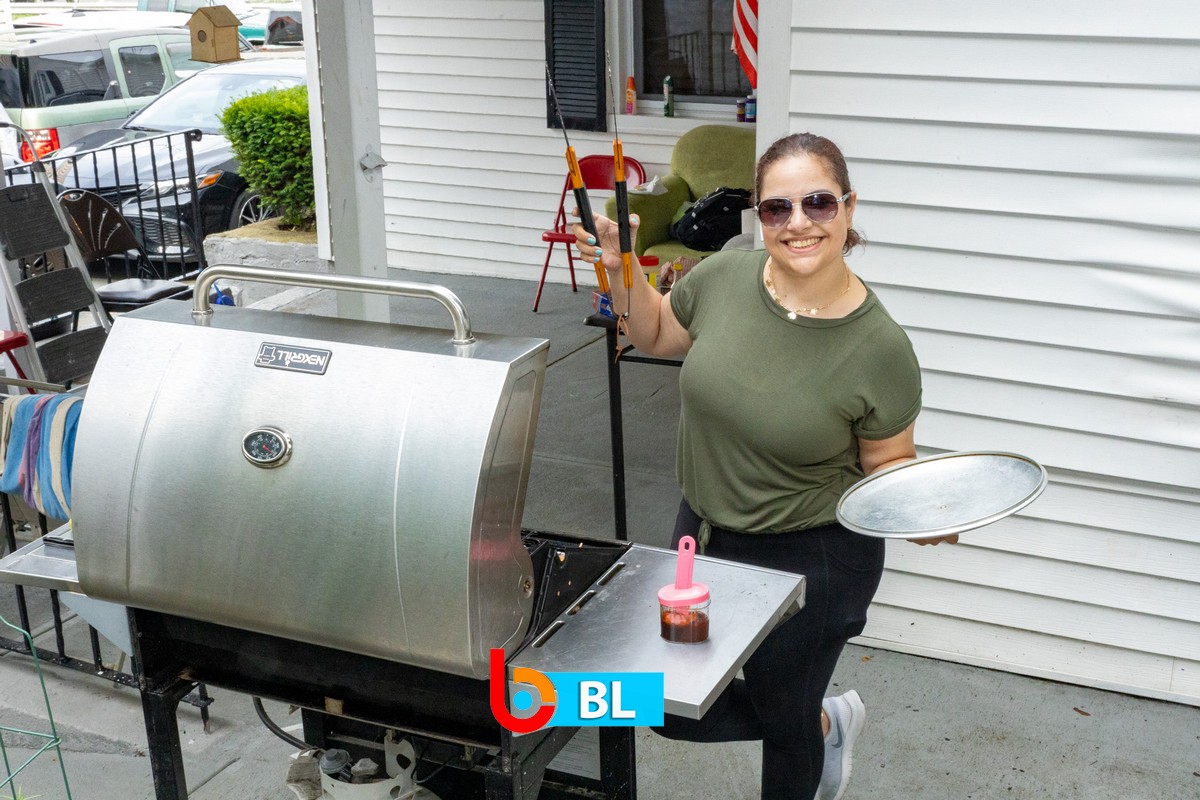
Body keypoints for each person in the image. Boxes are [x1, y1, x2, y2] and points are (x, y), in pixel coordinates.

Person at [574, 132, 957, 800]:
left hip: (813, 559)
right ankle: (818, 721)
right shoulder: (723, 279)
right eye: (778, 207)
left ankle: (800, 725)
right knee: (669, 708)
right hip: (703, 536)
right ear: (760, 214)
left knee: (784, 729)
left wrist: (921, 509)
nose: (798, 222)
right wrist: (621, 267)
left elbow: (888, 463)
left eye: (818, 202)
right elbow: (655, 333)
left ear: (849, 207)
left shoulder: (880, 347)